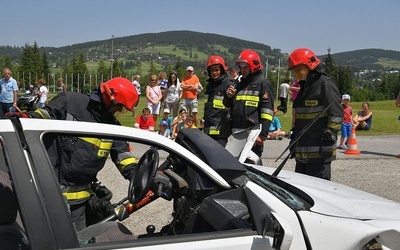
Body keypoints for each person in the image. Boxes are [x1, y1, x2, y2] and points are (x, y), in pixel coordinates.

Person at [6, 77, 139, 231]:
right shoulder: (71, 102)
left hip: (78, 204)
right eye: (119, 108)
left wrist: (145, 176)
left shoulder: (112, 127)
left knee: (78, 242)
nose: (118, 112)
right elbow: (43, 116)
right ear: (109, 100)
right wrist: (26, 118)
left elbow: (125, 160)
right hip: (47, 195)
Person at [288, 48, 343, 180]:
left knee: (319, 193)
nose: (298, 73)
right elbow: (301, 118)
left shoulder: (324, 84)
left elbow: (336, 113)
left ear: (310, 66)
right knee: (301, 193)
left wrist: (329, 136)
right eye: (295, 70)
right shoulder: (304, 87)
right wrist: (295, 138)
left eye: (300, 69)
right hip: (303, 152)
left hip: (319, 153)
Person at [223, 49, 274, 161]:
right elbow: (227, 104)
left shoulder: (263, 84)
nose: (242, 70)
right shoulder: (239, 83)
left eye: (245, 67)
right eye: (241, 67)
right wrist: (229, 96)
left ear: (254, 66)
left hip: (252, 134)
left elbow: (267, 111)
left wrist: (263, 135)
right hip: (236, 132)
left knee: (251, 165)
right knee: (234, 165)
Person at [203, 55, 232, 146]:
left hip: (221, 131)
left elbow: (231, 106)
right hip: (208, 128)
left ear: (222, 70)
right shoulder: (209, 86)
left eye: (216, 70)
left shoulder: (227, 85)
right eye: (212, 70)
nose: (214, 73)